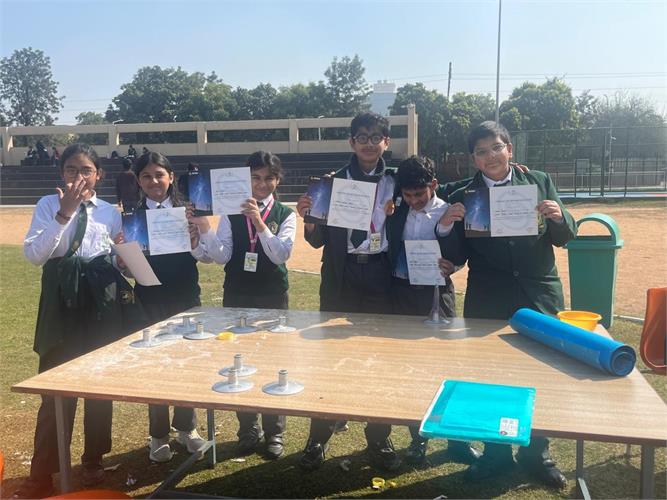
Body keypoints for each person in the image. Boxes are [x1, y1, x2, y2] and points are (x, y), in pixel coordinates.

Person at [439, 121, 577, 489]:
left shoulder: (539, 181)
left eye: (497, 147)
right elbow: (457, 256)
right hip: (489, 300)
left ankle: (537, 453)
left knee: (540, 376)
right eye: (481, 151)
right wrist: (448, 225)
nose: (491, 156)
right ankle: (496, 453)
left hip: (539, 296)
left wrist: (559, 216)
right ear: (474, 159)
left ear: (510, 150)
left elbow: (565, 236)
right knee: (492, 379)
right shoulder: (463, 194)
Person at [14, 143, 134, 498]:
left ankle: (94, 458)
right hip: (61, 305)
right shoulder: (47, 205)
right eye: (71, 169)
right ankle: (42, 473)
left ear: (99, 175)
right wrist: (64, 213)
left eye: (86, 170)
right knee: (56, 387)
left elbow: (113, 260)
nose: (78, 176)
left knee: (98, 385)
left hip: (100, 305)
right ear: (61, 173)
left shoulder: (110, 212)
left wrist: (123, 260)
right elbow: (35, 255)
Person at [295, 112, 400, 472]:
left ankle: (379, 437)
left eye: (376, 137)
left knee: (379, 359)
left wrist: (513, 171)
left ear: (386, 142)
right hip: (341, 275)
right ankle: (318, 437)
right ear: (352, 142)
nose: (369, 143)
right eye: (362, 137)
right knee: (329, 358)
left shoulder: (397, 180)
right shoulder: (331, 182)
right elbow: (316, 240)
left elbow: (438, 188)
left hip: (381, 274)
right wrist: (309, 219)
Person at [192, 151, 296, 460]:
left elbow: (280, 255)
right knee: (239, 361)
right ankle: (248, 428)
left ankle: (275, 431)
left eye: (269, 178)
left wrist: (260, 223)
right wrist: (205, 228)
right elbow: (222, 256)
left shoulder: (285, 214)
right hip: (237, 292)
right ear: (246, 179)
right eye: (255, 177)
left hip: (272, 294)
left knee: (274, 360)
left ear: (277, 180)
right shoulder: (230, 212)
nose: (262, 184)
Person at [385, 155, 480, 466]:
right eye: (408, 194)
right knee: (410, 369)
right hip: (401, 295)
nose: (413, 200)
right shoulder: (397, 209)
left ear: (434, 185)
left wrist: (453, 265)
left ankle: (457, 441)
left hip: (438, 295)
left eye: (419, 194)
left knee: (448, 368)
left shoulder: (449, 210)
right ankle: (418, 439)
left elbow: (461, 254)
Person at [131, 151, 209, 463]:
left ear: (171, 177)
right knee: (155, 366)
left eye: (159, 174)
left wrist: (196, 238)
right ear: (139, 181)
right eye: (146, 176)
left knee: (187, 364)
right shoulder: (132, 216)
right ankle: (158, 434)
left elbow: (206, 256)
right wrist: (123, 261)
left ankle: (187, 428)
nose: (154, 181)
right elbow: (127, 266)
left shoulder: (188, 211)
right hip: (149, 299)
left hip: (186, 298)